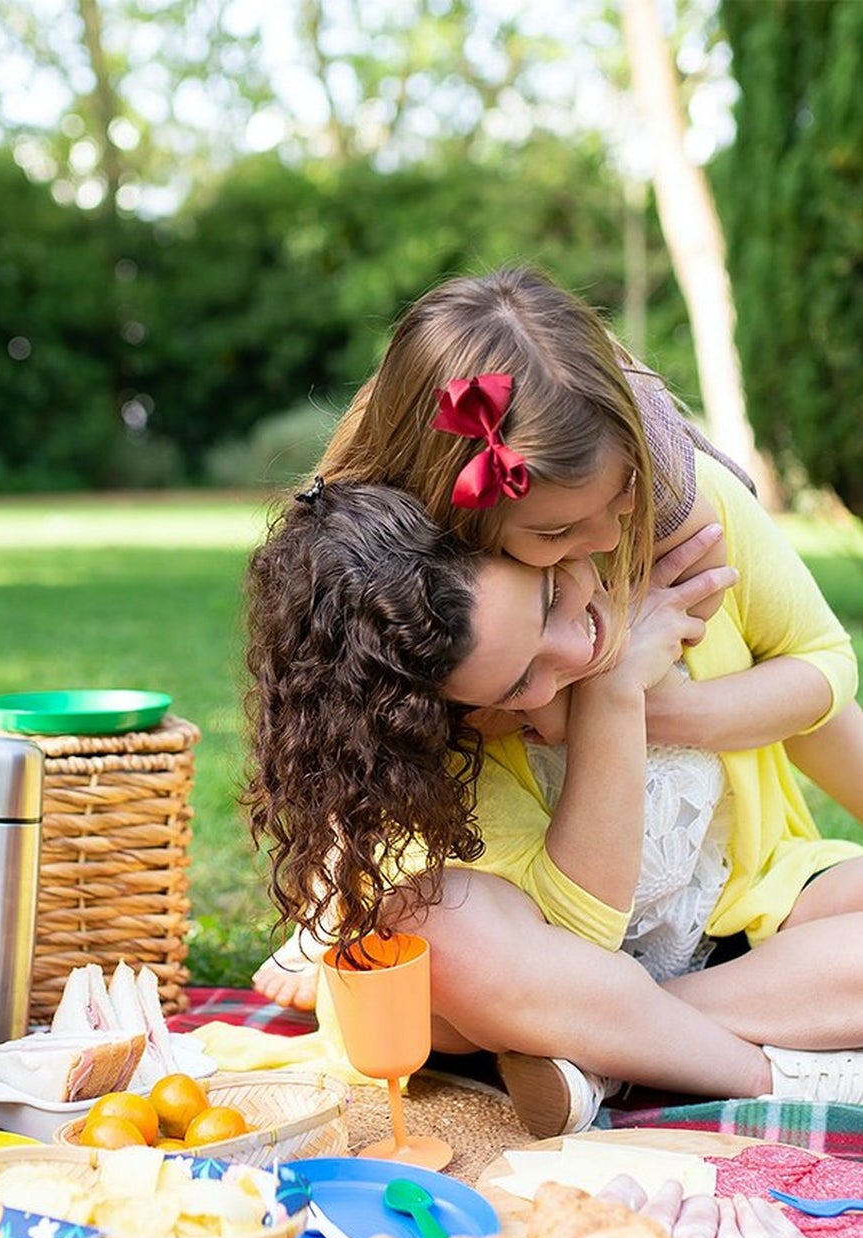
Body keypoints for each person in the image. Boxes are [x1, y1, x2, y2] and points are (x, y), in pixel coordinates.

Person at [251, 265, 863, 1014]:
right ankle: (648, 1024)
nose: (605, 536)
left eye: (621, 495)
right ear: (459, 519)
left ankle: (641, 1031)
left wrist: (655, 706)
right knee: (439, 964)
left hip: (741, 893)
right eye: (554, 534)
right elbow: (355, 757)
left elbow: (824, 668)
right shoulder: (431, 623)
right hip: (543, 928)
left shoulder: (683, 515)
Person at [216, 474, 863, 1136]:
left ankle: (606, 1058)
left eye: (552, 594)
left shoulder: (673, 532)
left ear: (528, 540)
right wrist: (610, 695)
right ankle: (766, 1072)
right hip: (542, 972)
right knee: (434, 927)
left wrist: (658, 705)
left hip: (733, 920)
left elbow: (820, 688)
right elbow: (579, 942)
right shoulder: (448, 717)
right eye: (520, 679)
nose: (574, 647)